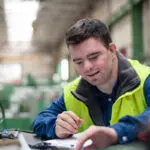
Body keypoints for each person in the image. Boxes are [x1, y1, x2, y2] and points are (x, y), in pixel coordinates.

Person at [32, 18, 150, 149]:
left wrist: (116, 132)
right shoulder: (73, 92)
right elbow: (39, 121)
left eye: (94, 57)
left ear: (111, 50)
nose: (87, 67)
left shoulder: (145, 79)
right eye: (78, 62)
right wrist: (55, 126)